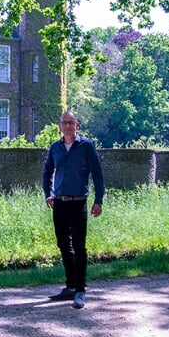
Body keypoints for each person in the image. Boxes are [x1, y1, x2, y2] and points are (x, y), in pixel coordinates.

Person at [42, 110, 105, 310]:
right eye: (64, 123)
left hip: (79, 203)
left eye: (71, 123)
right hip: (59, 203)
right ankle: (69, 286)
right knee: (63, 244)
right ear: (59, 126)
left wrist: (98, 200)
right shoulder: (55, 148)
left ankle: (80, 290)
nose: (68, 126)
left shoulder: (86, 147)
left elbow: (97, 173)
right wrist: (48, 193)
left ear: (77, 125)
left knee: (79, 246)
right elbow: (47, 172)